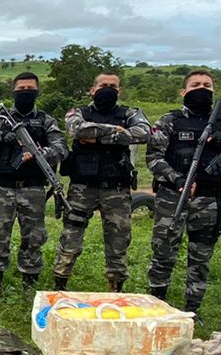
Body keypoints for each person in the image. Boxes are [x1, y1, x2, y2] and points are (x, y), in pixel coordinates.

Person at [146, 69, 221, 313]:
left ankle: (193, 310)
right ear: (183, 92)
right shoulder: (169, 121)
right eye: (195, 85)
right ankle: (156, 305)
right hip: (173, 196)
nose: (202, 88)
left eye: (207, 85)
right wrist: (178, 178)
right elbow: (153, 158)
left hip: (209, 199)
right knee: (163, 253)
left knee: (201, 258)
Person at [52, 72, 149, 292]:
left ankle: (116, 289)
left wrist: (95, 137)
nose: (108, 89)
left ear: (119, 90)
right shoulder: (79, 112)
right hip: (82, 187)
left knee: (118, 241)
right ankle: (60, 285)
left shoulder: (130, 113)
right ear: (92, 89)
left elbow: (143, 133)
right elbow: (76, 130)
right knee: (70, 237)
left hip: (116, 188)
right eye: (103, 85)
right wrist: (116, 132)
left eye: (113, 86)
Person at [0, 72, 67, 298]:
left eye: (30, 89)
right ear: (13, 92)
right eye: (21, 89)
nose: (25, 93)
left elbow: (61, 149)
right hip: (4, 187)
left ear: (37, 92)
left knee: (33, 236)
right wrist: (2, 137)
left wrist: (38, 153)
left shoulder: (46, 120)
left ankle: (29, 282)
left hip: (33, 187)